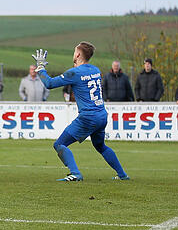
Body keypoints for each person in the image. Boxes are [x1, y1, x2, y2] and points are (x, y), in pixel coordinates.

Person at [32, 43, 128, 182]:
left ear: (77, 55)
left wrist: (41, 69)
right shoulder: (95, 70)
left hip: (88, 117)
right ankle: (122, 175)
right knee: (100, 146)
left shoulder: (74, 73)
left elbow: (50, 84)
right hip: (101, 115)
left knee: (59, 144)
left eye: (74, 52)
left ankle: (75, 173)